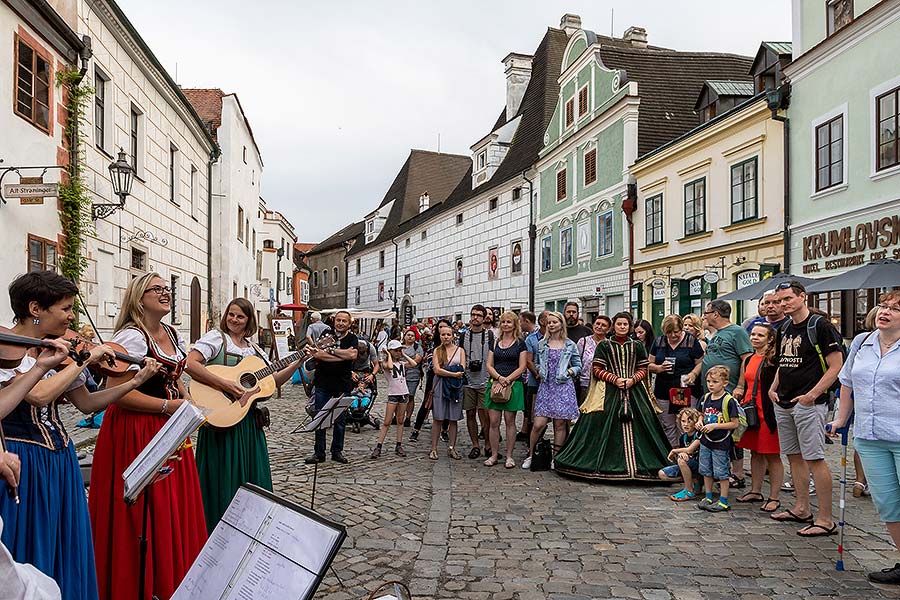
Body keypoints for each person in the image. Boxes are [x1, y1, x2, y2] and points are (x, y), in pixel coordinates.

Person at [0, 272, 158, 600]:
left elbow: (87, 403)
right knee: (32, 544)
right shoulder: (11, 350)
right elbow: (38, 395)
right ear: (35, 308)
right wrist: (84, 358)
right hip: (24, 461)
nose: (73, 317)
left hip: (61, 461)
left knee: (66, 544)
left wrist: (131, 382)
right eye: (66, 308)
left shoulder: (58, 353)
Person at [89, 272, 205, 600]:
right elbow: (117, 393)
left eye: (167, 289)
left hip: (169, 428)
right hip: (136, 430)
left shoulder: (169, 332)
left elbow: (177, 375)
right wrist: (168, 406)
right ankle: (140, 583)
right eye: (157, 289)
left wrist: (188, 404)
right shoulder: (131, 338)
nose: (165, 293)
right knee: (144, 510)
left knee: (171, 506)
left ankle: (170, 578)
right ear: (140, 298)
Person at [186, 298, 302, 533]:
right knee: (222, 479)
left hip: (248, 424)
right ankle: (216, 527)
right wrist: (226, 385)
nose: (234, 320)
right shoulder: (216, 339)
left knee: (252, 479)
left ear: (249, 320)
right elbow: (190, 364)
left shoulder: (254, 350)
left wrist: (297, 362)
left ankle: (249, 529)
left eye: (240, 316)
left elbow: (273, 380)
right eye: (231, 314)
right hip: (223, 421)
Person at [829, 292, 900, 584]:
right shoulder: (862, 342)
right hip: (869, 437)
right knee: (888, 503)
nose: (885, 311)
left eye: (895, 309)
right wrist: (842, 418)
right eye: (884, 306)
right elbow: (847, 383)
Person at [553, 312, 670, 480]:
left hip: (634, 390)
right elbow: (597, 369)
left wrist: (632, 380)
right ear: (613, 326)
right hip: (609, 392)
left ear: (630, 327)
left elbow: (643, 368)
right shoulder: (605, 346)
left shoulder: (637, 345)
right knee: (602, 423)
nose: (622, 327)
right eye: (619, 324)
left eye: (625, 325)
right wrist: (615, 380)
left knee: (644, 423)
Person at [768, 280, 842, 536]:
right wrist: (773, 387)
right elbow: (783, 361)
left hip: (809, 403)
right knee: (794, 457)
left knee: (815, 459)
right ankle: (801, 508)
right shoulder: (785, 327)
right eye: (779, 300)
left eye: (787, 299)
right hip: (784, 400)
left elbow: (836, 366)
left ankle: (825, 518)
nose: (782, 304)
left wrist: (813, 394)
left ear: (802, 297)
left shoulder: (819, 326)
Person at [732, 324, 783, 512]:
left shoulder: (773, 360)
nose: (754, 338)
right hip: (751, 409)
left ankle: (774, 496)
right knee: (754, 452)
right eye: (753, 334)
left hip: (767, 410)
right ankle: (755, 490)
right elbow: (743, 383)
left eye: (760, 335)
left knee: (771, 454)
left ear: (770, 339)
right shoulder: (750, 358)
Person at [701, 300, 752, 487]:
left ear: (715, 314)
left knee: (731, 431)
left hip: (729, 390)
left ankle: (737, 474)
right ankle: (721, 469)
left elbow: (747, 358)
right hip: (711, 391)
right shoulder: (716, 334)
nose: (704, 316)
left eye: (706, 313)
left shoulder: (737, 332)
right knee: (716, 429)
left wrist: (740, 385)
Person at [522, 311, 580, 470]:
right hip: (546, 386)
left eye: (555, 322)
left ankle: (556, 457)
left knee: (560, 424)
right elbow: (536, 361)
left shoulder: (570, 344)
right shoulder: (542, 343)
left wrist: (569, 372)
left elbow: (577, 365)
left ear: (561, 324)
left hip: (563, 387)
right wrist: (540, 370)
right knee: (538, 423)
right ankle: (532, 454)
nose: (552, 325)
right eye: (549, 322)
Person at [304, 310, 358, 464]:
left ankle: (337, 452)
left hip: (342, 384)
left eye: (344, 321)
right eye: (338, 320)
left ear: (349, 323)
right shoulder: (326, 333)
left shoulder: (352, 338)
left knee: (340, 420)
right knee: (320, 418)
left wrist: (332, 351)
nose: (340, 323)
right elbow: (318, 354)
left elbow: (352, 356)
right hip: (323, 383)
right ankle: (319, 453)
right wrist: (342, 356)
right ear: (334, 321)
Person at [648, 315, 704, 446]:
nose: (673, 335)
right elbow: (648, 364)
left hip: (686, 389)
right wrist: (659, 368)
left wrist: (693, 374)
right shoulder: (659, 342)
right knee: (668, 425)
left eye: (676, 332)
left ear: (681, 328)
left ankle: (687, 453)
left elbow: (701, 362)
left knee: (686, 423)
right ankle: (671, 454)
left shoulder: (691, 341)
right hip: (664, 389)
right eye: (669, 332)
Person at [484, 312, 527, 468]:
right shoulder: (495, 343)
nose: (506, 324)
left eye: (509, 322)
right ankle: (494, 455)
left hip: (513, 385)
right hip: (495, 383)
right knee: (493, 422)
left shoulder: (520, 343)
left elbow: (522, 366)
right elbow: (489, 364)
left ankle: (509, 456)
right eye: (503, 322)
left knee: (510, 422)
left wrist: (506, 380)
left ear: (515, 324)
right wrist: (499, 379)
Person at [696, 366, 740, 512]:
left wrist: (715, 426)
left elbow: (734, 423)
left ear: (725, 383)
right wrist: (699, 422)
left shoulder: (728, 401)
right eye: (708, 381)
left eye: (715, 381)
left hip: (721, 441)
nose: (710, 384)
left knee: (721, 471)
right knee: (705, 469)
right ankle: (708, 496)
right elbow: (701, 414)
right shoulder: (706, 397)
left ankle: (723, 500)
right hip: (706, 440)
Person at [370, 340, 416, 458]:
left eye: (399, 350)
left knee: (400, 420)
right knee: (387, 421)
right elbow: (389, 366)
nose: (398, 353)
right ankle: (379, 446)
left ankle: (399, 445)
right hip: (393, 394)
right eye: (396, 350)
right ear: (390, 351)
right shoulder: (385, 363)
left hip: (403, 393)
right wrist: (389, 354)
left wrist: (404, 354)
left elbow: (414, 364)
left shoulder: (401, 363)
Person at [459, 305, 493, 459]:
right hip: (468, 380)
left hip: (485, 380)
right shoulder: (463, 336)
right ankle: (475, 445)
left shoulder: (490, 335)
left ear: (484, 317)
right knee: (470, 413)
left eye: (479, 315)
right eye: (473, 314)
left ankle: (488, 444)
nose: (475, 317)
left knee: (485, 415)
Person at [428, 325, 466, 460]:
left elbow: (462, 369)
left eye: (448, 334)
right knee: (438, 418)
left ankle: (452, 447)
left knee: (453, 418)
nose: (445, 337)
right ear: (440, 336)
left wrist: (452, 373)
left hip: (455, 387)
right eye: (443, 334)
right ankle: (433, 448)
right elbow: (436, 370)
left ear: (453, 336)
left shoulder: (460, 351)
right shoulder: (437, 351)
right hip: (440, 386)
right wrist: (453, 373)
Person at [410, 319, 451, 442]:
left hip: (448, 377)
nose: (442, 330)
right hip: (434, 376)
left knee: (446, 402)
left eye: (445, 327)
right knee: (427, 402)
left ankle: (444, 430)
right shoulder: (433, 344)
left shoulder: (454, 344)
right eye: (440, 327)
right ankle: (416, 429)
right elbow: (428, 360)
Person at [659, 407, 702, 502]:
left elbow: (690, 450)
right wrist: (681, 453)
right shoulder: (683, 437)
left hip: (700, 465)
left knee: (681, 461)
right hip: (690, 464)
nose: (686, 424)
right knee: (662, 474)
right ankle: (692, 481)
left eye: (689, 421)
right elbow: (685, 452)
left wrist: (675, 451)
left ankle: (689, 490)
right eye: (683, 421)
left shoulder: (699, 434)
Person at [520, 311, 546, 442]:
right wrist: (538, 374)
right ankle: (532, 443)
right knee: (532, 414)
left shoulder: (557, 337)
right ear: (542, 321)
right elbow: (528, 361)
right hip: (534, 382)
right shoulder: (532, 338)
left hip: (552, 383)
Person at [575, 315, 610, 406]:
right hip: (585, 384)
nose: (599, 327)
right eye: (597, 323)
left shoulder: (609, 345)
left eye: (603, 325)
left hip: (603, 385)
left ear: (608, 329)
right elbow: (576, 361)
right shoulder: (583, 342)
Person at [400, 329, 424, 427]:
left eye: (412, 335)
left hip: (413, 375)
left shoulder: (417, 347)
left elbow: (417, 360)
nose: (410, 337)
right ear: (404, 336)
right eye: (408, 335)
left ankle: (408, 417)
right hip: (400, 375)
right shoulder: (399, 346)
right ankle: (398, 416)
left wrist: (403, 365)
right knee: (399, 396)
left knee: (410, 396)